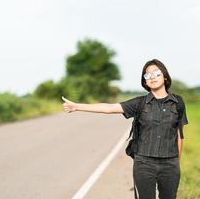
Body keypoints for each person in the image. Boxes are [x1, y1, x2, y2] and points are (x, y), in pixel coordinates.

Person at [61, 59, 188, 199]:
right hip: (144, 164)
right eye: (147, 75)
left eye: (156, 73)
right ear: (145, 82)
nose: (152, 77)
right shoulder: (139, 103)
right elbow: (109, 108)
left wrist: (176, 163)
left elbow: (179, 134)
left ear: (165, 76)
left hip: (170, 164)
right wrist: (77, 106)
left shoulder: (178, 103)